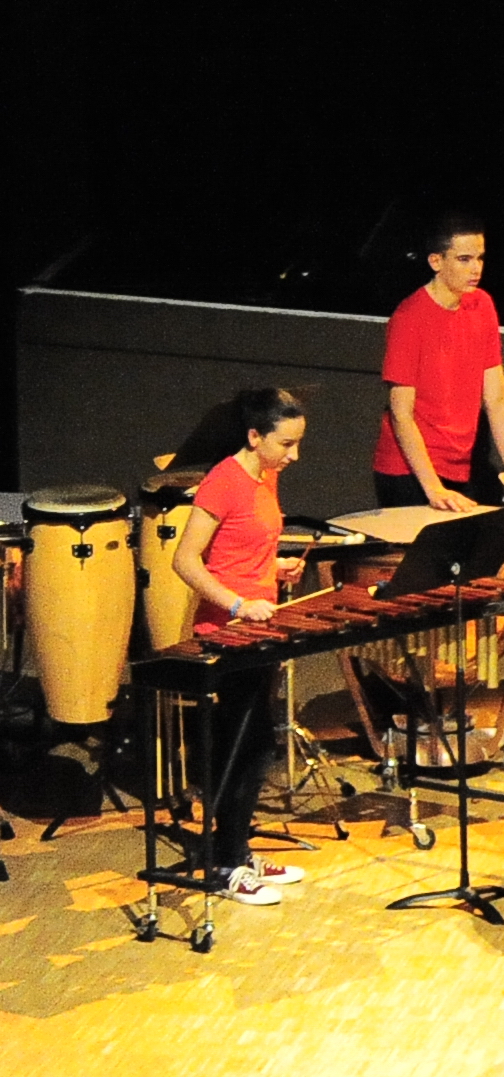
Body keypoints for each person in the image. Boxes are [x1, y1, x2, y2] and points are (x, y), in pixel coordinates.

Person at [168, 387, 314, 907]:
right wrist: (235, 604)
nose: (293, 455)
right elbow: (186, 561)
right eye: (286, 444)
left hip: (261, 627)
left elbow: (243, 546)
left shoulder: (266, 475)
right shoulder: (223, 481)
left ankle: (237, 847)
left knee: (257, 746)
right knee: (239, 747)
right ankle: (225, 864)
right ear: (255, 437)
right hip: (227, 632)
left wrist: (275, 568)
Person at [372, 213, 504, 512]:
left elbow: (497, 397)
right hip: (410, 471)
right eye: (464, 259)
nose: (475, 268)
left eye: (479, 258)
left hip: (461, 461)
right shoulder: (409, 319)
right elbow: (402, 414)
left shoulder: (482, 305)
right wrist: (433, 489)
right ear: (436, 262)